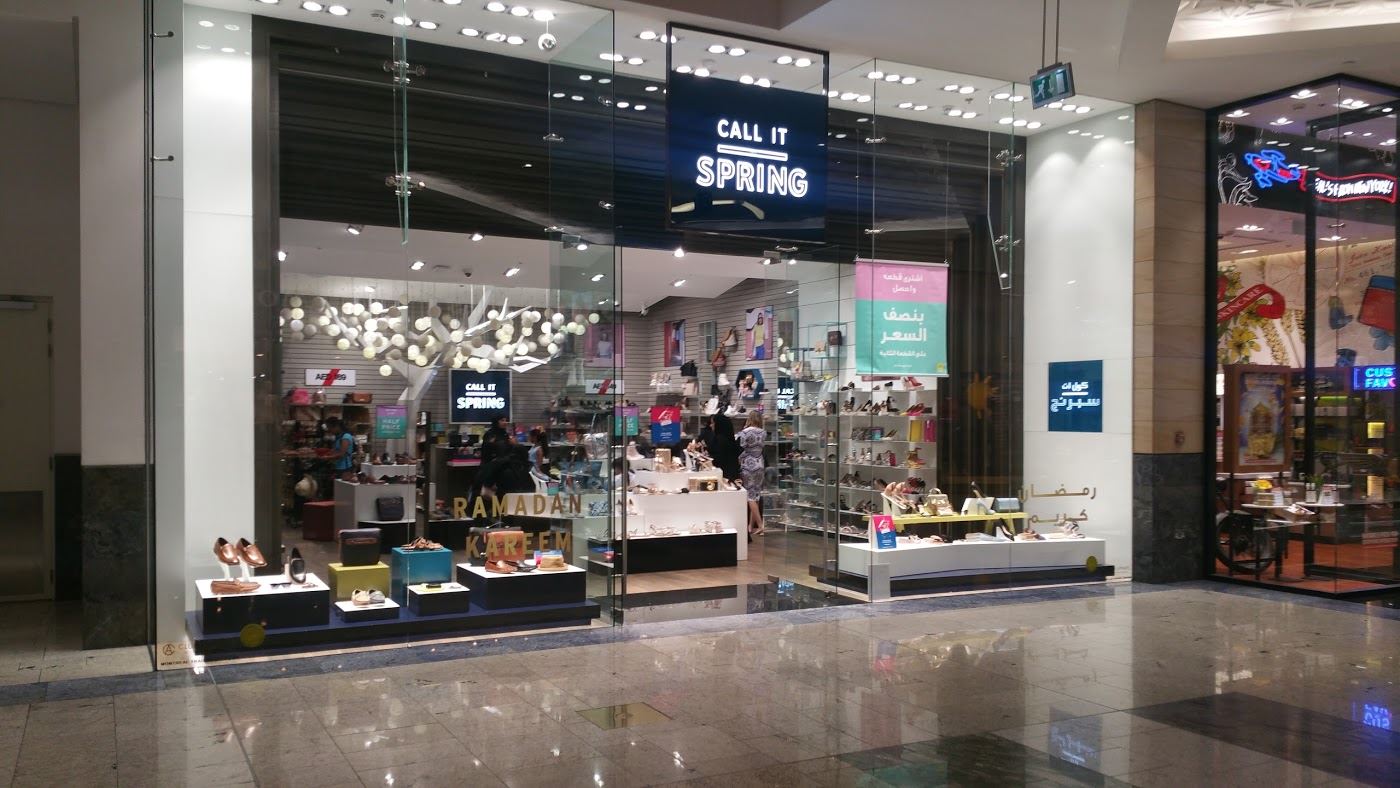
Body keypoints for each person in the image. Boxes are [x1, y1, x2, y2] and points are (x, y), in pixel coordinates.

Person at [737, 411, 766, 535]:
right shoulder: (763, 432)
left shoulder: (745, 432)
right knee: (756, 494)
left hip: (748, 464)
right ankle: (750, 526)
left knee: (750, 495)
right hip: (760, 463)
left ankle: (760, 525)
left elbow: (742, 448)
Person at [703, 413, 741, 482]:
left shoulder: (720, 440)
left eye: (713, 423)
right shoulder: (727, 438)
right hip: (729, 474)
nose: (711, 425)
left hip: (724, 476)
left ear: (718, 424)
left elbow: (718, 459)